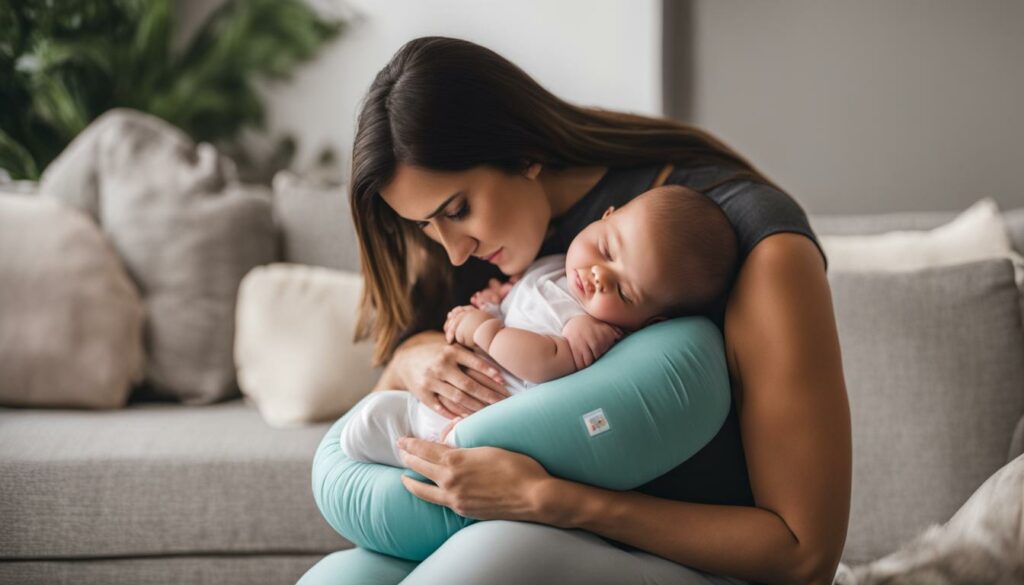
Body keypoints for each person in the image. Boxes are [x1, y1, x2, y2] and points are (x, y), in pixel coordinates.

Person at [299, 36, 851, 585]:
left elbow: (803, 557)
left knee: (494, 554)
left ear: (523, 152)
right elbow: (382, 430)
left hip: (684, 564)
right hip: (522, 536)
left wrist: (549, 500)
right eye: (425, 225)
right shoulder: (468, 251)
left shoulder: (747, 242)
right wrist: (414, 359)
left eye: (458, 210)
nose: (453, 249)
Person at [339, 185, 738, 468]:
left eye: (624, 291)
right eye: (605, 249)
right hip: (460, 389)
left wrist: (486, 330)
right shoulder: (556, 263)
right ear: (607, 216)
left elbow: (544, 361)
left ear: (650, 322)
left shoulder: (592, 330)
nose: (599, 275)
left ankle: (400, 446)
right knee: (371, 417)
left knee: (382, 431)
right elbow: (527, 297)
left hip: (481, 418)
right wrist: (498, 300)